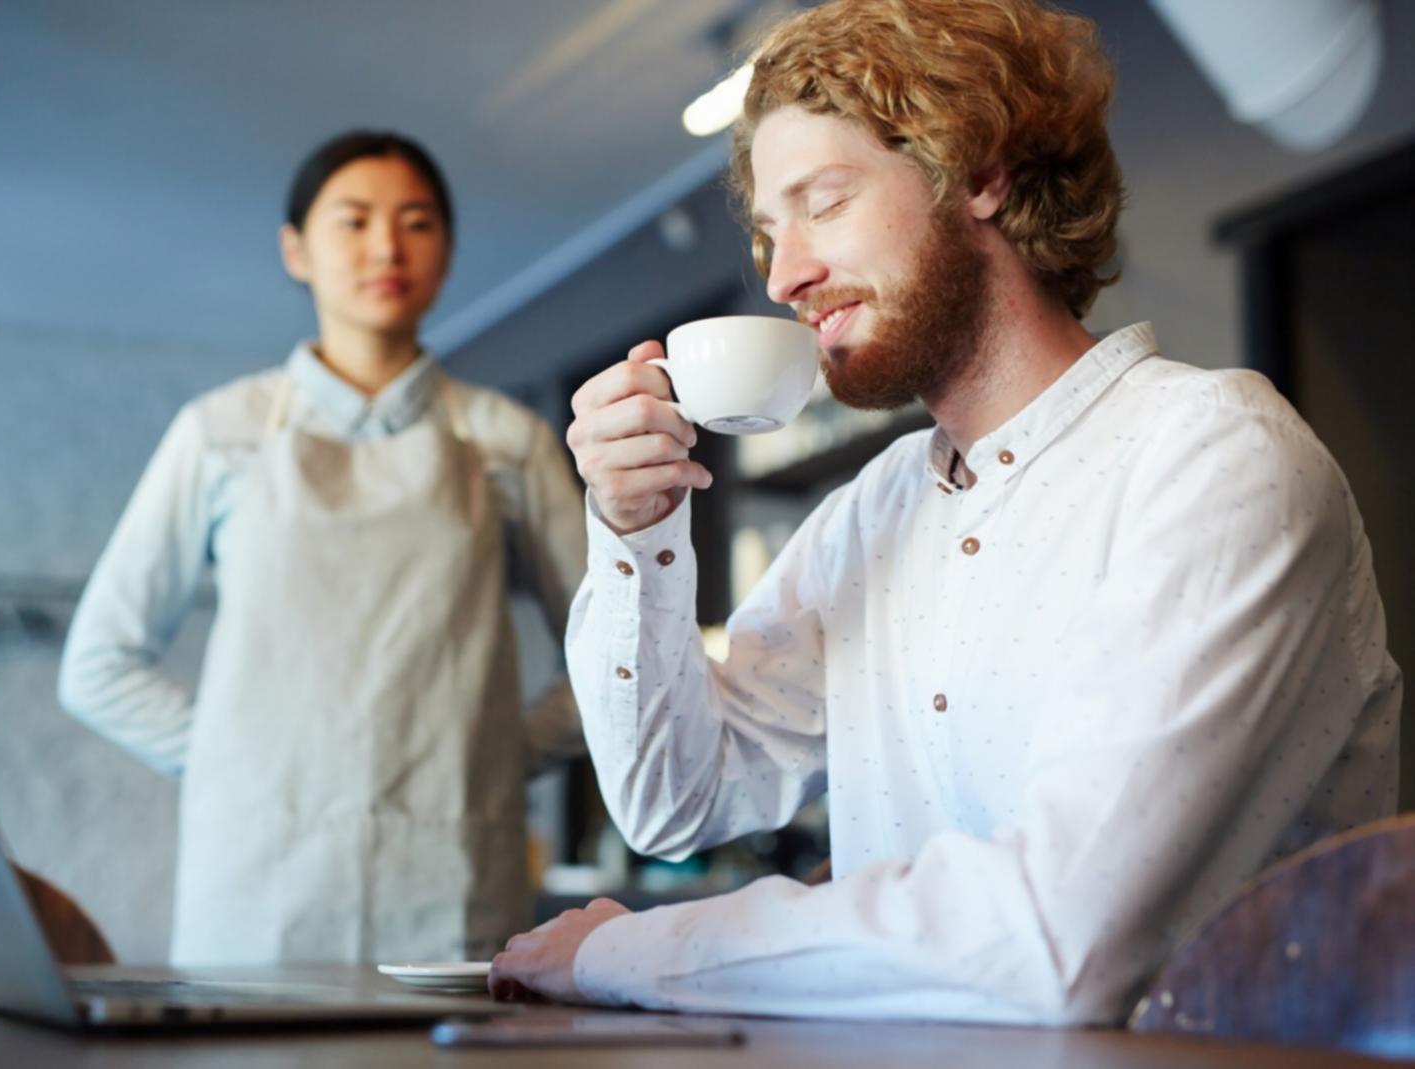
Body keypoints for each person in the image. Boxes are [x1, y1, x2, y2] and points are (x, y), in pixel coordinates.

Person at [488, 0, 1402, 1024]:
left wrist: (626, 948)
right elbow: (673, 800)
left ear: (978, 172)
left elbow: (1060, 942)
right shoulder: (871, 511)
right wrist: (633, 528)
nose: (782, 275)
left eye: (822, 201)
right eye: (764, 232)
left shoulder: (1213, 454)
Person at [59, 130, 587, 966]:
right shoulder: (219, 432)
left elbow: (611, 654)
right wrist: (244, 764)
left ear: (445, 255)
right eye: (354, 220)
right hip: (258, 876)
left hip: (451, 873)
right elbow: (98, 662)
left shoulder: (507, 439)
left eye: (416, 222)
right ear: (296, 249)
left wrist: (496, 757)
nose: (387, 245)